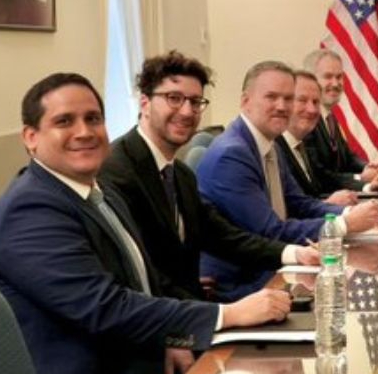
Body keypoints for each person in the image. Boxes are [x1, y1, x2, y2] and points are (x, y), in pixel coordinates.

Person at [0, 73, 291, 374]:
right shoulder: (30, 211)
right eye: (64, 121)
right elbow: (106, 308)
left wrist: (171, 339)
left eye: (93, 118)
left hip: (142, 368)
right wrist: (226, 315)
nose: (84, 131)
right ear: (31, 137)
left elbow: (141, 281)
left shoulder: (98, 193)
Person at [100, 52, 321, 303]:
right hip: (166, 315)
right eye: (174, 98)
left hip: (189, 304)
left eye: (195, 102)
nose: (187, 111)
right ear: (144, 103)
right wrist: (224, 313)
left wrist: (294, 254)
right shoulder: (116, 171)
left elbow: (222, 235)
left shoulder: (180, 174)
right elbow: (140, 275)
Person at [196, 61, 378, 299]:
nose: (282, 106)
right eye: (271, 97)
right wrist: (343, 225)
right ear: (245, 101)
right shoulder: (232, 154)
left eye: (288, 98)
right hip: (239, 286)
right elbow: (270, 231)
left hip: (274, 270)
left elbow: (299, 203)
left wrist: (349, 213)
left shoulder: (270, 144)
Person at [276, 70, 378, 202]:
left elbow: (322, 182)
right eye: (302, 100)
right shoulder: (274, 149)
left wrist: (369, 187)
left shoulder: (301, 143)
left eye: (316, 102)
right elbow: (286, 207)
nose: (312, 109)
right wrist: (329, 204)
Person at [301, 49, 378, 185]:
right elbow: (319, 176)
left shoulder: (329, 117)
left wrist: (369, 168)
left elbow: (348, 158)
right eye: (328, 77)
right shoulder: (306, 120)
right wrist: (361, 179)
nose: (336, 84)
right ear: (311, 80)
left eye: (339, 77)